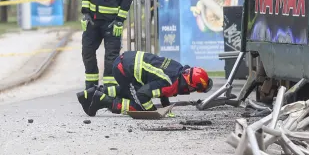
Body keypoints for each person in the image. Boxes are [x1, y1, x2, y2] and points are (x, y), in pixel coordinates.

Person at [76, 51, 213, 116]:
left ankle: (91, 93)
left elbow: (163, 90)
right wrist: (152, 112)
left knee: (128, 91)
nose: (192, 92)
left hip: (125, 61)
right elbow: (143, 94)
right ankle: (102, 100)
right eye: (195, 89)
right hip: (125, 70)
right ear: (190, 85)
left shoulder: (178, 69)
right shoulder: (171, 83)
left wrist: (166, 107)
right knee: (138, 106)